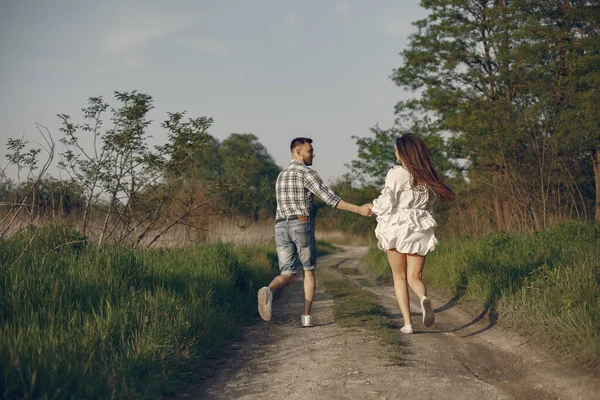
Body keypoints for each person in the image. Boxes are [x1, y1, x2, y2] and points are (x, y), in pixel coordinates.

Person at [258, 137, 372, 327]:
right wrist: (359, 209)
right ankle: (306, 318)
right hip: (300, 224)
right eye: (310, 151)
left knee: (287, 273)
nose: (313, 154)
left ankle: (268, 290)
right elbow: (330, 199)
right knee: (308, 271)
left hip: (280, 226)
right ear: (298, 152)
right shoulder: (306, 173)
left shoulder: (281, 175)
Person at [369, 133, 455, 334]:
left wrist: (372, 208)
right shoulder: (428, 178)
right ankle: (424, 298)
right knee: (415, 276)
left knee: (398, 277)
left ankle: (407, 324)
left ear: (403, 153)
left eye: (397, 149)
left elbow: (387, 200)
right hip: (419, 226)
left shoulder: (396, 173)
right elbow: (430, 205)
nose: (395, 152)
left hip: (396, 226)